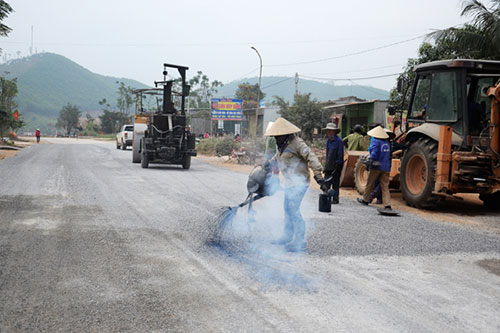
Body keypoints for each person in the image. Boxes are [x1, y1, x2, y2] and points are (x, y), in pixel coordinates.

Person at [265, 117, 324, 252]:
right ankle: (286, 237)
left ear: (285, 134)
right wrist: (268, 164)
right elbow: (278, 156)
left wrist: (318, 174)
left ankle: (300, 242)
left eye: (277, 136)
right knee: (287, 209)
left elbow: (311, 156)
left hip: (300, 182)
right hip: (290, 183)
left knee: (293, 210)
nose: (275, 138)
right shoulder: (281, 145)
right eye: (274, 136)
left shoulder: (297, 143)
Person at [357, 126, 392, 211]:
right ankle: (387, 205)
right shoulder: (386, 143)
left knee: (370, 183)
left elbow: (374, 153)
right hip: (386, 167)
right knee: (385, 187)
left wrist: (370, 160)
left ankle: (365, 200)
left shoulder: (376, 141)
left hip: (376, 167)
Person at [323, 122, 344, 204]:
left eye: (330, 130)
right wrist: (326, 165)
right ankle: (326, 197)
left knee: (335, 182)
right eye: (328, 130)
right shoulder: (328, 141)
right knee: (326, 181)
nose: (328, 132)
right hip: (329, 164)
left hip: (336, 164)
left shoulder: (339, 141)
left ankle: (335, 198)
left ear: (334, 131)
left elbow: (340, 154)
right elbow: (328, 153)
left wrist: (338, 165)